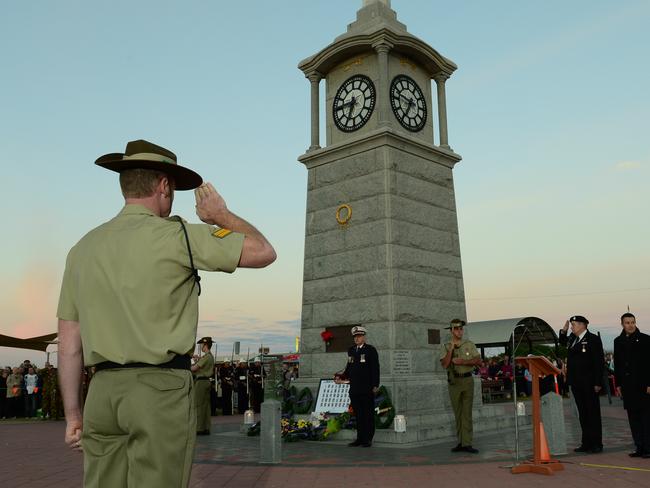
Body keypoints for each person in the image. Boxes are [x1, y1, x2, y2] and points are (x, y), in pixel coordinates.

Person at [56, 139, 276, 488]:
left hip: (101, 392)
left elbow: (68, 345)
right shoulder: (179, 236)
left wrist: (73, 415)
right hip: (159, 389)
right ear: (163, 185)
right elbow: (264, 251)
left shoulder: (82, 249)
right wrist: (221, 216)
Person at [559, 315, 605, 453]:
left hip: (590, 383)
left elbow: (598, 361)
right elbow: (563, 343)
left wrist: (598, 382)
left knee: (593, 413)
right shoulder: (573, 339)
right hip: (576, 382)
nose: (572, 327)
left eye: (574, 324)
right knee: (583, 414)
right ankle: (586, 443)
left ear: (582, 325)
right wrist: (564, 331)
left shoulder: (593, 339)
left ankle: (596, 444)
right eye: (572, 324)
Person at [440, 318, 481, 454]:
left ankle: (467, 443)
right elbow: (445, 364)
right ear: (451, 330)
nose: (459, 331)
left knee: (467, 413)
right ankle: (461, 442)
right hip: (454, 382)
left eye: (461, 329)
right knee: (457, 413)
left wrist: (463, 361)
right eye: (456, 329)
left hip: (467, 381)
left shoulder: (469, 344)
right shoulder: (446, 346)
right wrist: (451, 351)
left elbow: (478, 361)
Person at [613, 313, 650, 458]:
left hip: (643, 386)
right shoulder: (618, 341)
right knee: (633, 418)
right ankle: (639, 447)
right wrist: (619, 385)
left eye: (632, 322)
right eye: (627, 322)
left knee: (646, 419)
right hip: (628, 387)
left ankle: (648, 448)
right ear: (622, 324)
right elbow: (618, 365)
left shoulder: (646, 339)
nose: (630, 325)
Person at [337, 325, 380, 448]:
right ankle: (360, 438)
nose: (357, 339)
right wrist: (341, 377)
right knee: (358, 415)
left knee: (367, 414)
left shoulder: (370, 350)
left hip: (367, 388)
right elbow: (349, 367)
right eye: (355, 337)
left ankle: (368, 439)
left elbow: (375, 368)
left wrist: (375, 384)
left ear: (364, 337)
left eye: (359, 336)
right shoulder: (351, 350)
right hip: (354, 389)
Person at [192, 337, 215, 436]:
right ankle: (206, 427)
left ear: (205, 345)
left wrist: (185, 365)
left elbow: (194, 368)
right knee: (206, 406)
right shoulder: (210, 356)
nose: (201, 346)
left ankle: (199, 428)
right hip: (206, 381)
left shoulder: (206, 357)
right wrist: (197, 360)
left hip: (201, 382)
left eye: (201, 345)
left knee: (199, 405)